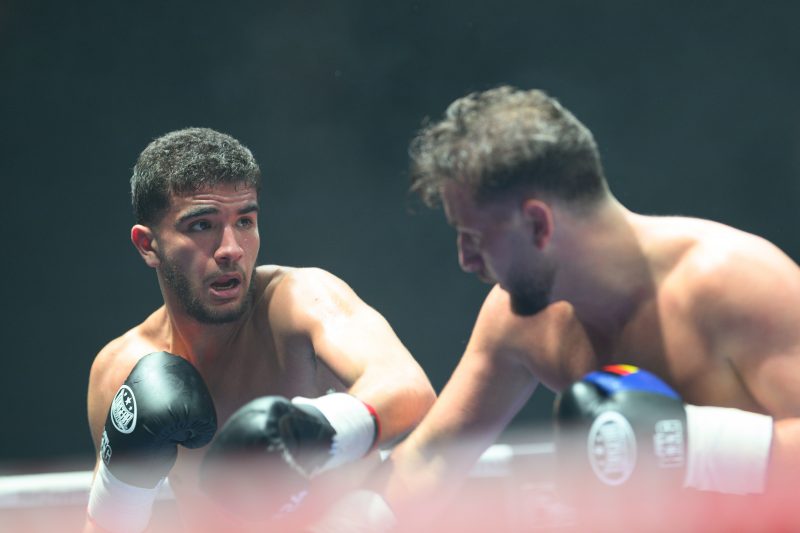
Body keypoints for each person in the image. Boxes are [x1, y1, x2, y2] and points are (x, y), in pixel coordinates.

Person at [375, 86, 800, 529]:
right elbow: (432, 462)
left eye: (475, 237)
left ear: (538, 223)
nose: (466, 259)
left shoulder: (732, 284)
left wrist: (694, 445)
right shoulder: (517, 321)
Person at [83, 127, 436, 533]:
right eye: (202, 225)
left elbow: (410, 389)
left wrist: (309, 431)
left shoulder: (298, 301)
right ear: (148, 246)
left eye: (245, 221)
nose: (231, 248)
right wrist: (122, 490)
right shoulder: (119, 371)